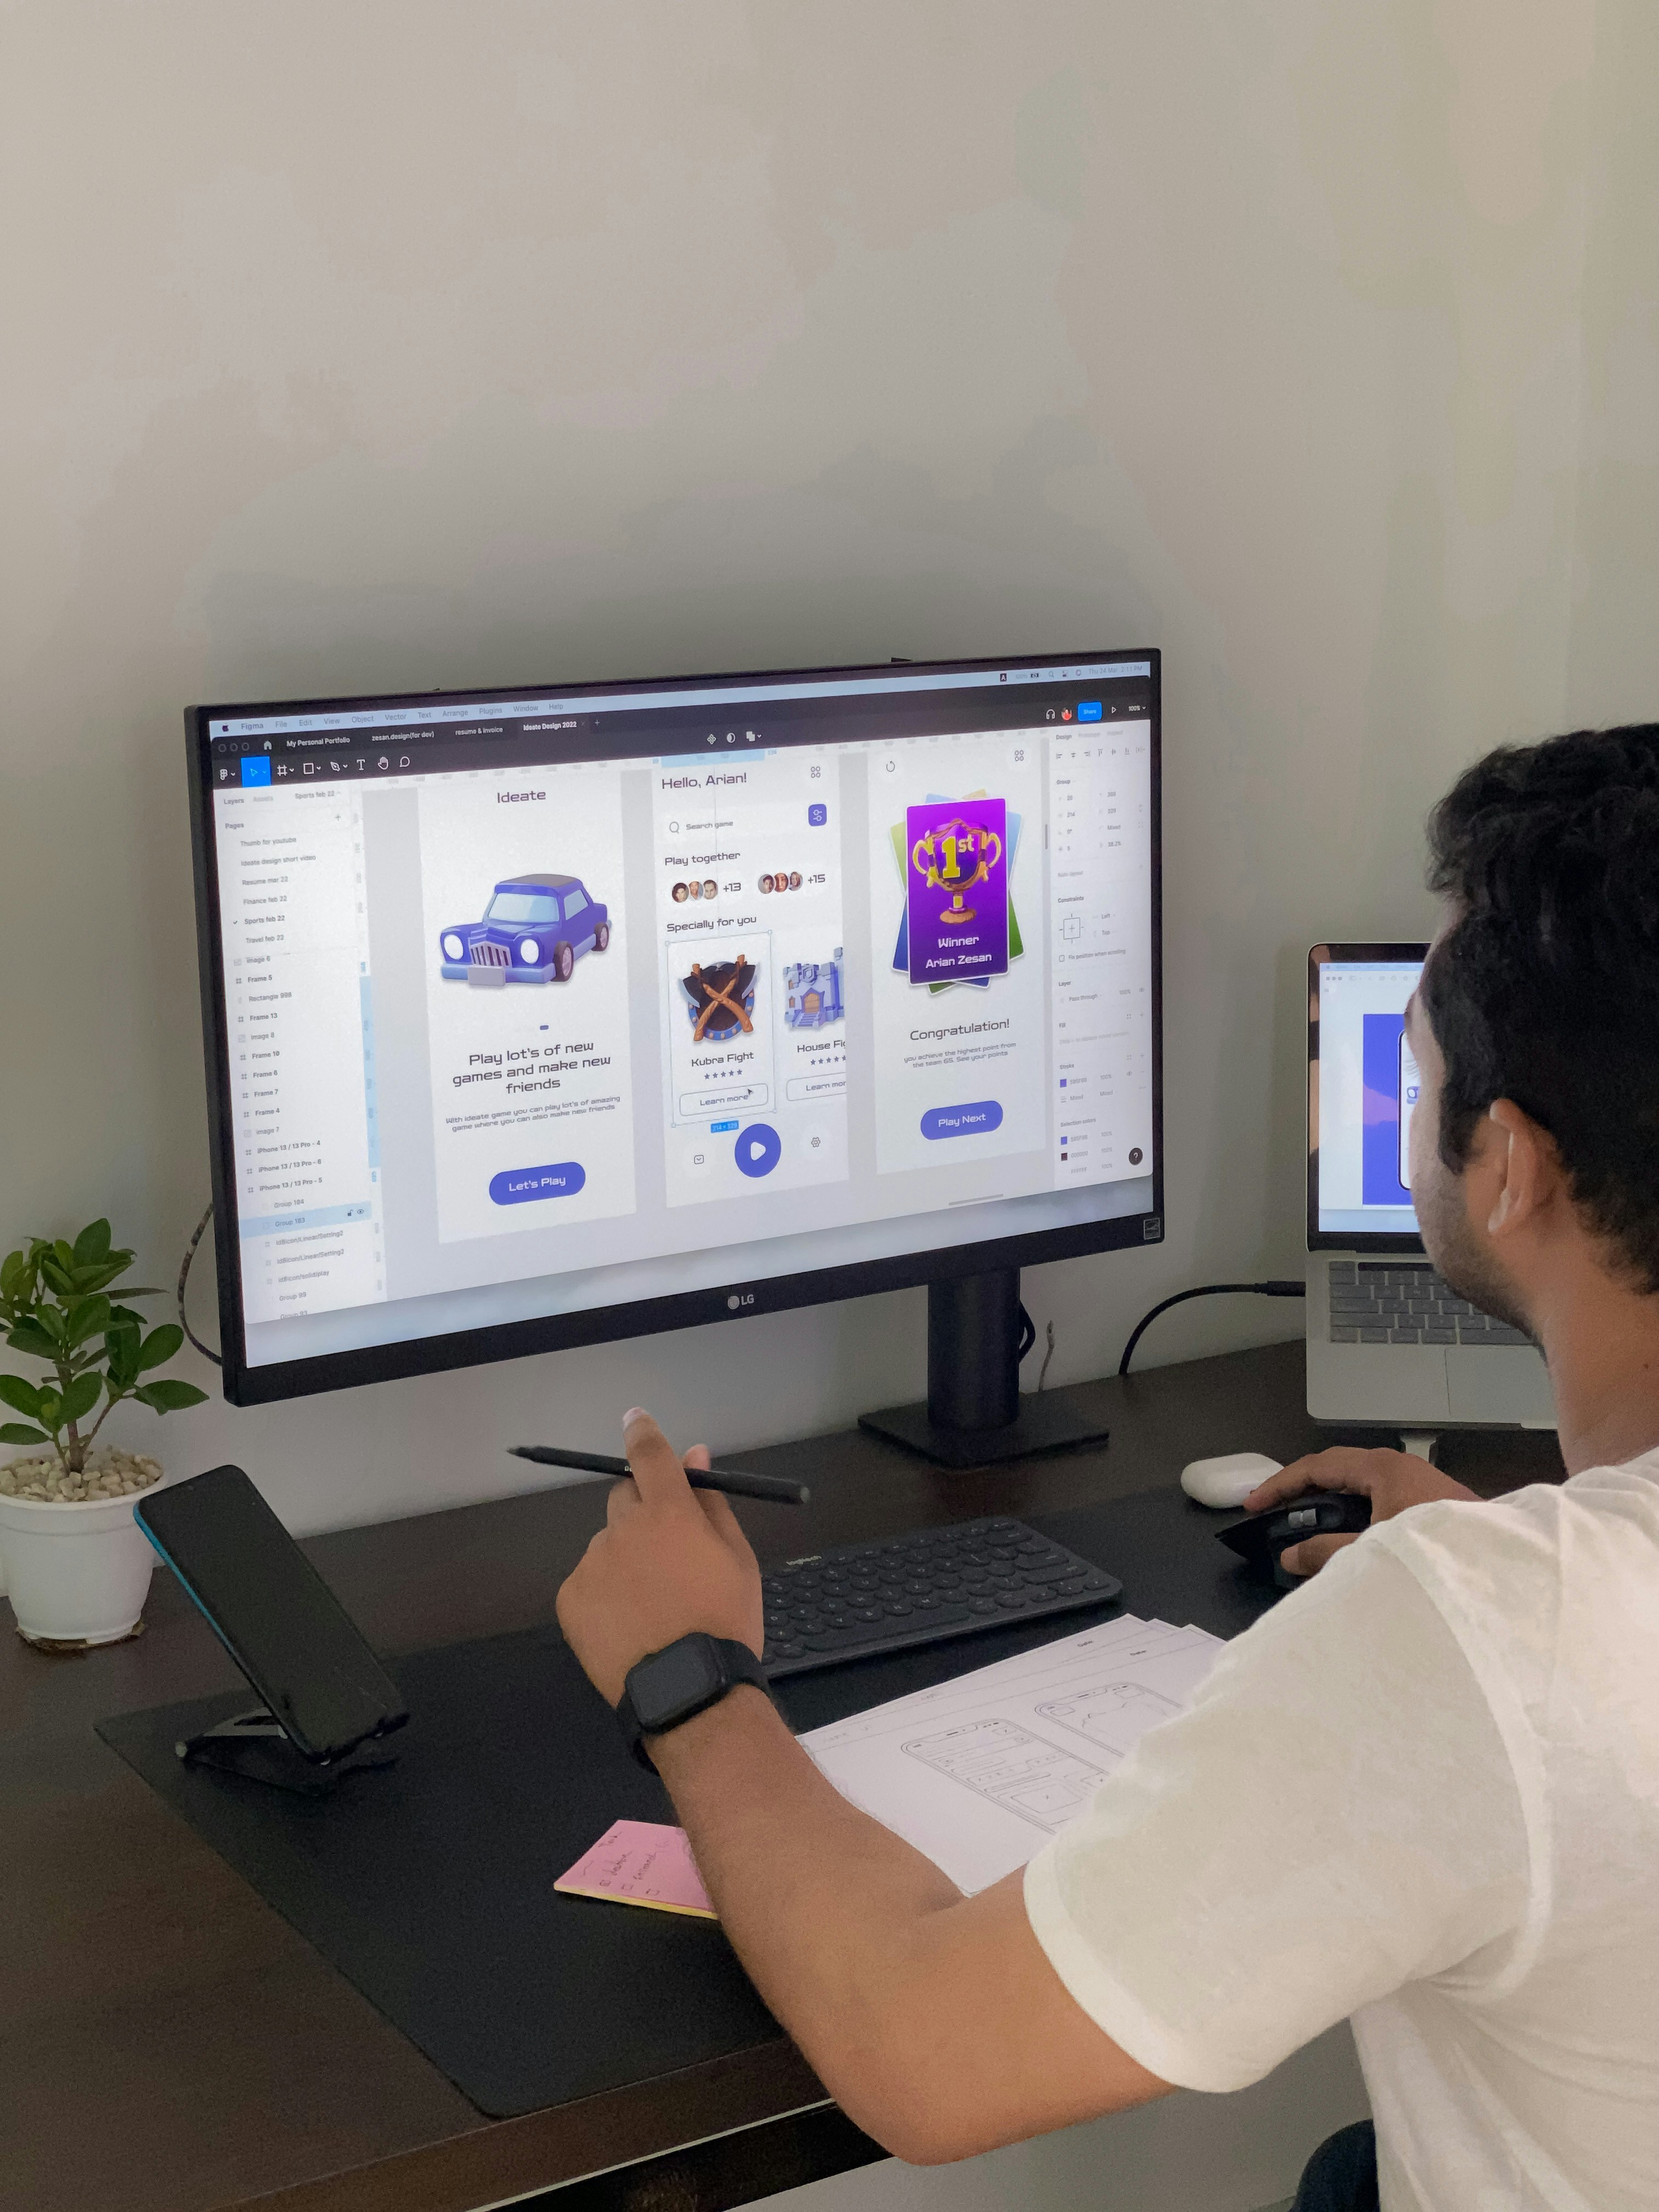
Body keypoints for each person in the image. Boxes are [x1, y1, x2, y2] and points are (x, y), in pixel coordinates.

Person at [558, 726, 1659, 2210]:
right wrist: (1529, 1562)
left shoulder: (1496, 1634)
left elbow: (927, 2054)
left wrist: (686, 1674)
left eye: (1419, 1062)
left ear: (1510, 1164)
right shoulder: (1549, 1614)